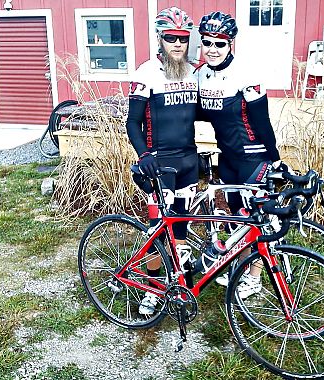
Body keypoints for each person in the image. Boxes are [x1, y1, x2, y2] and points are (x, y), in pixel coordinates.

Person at [195, 11, 285, 299]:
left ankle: (255, 278)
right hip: (229, 157)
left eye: (219, 44)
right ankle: (246, 266)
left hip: (253, 156)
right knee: (238, 216)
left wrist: (274, 158)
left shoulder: (246, 73)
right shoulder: (200, 74)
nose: (212, 49)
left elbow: (262, 121)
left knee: (254, 218)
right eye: (207, 42)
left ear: (231, 44)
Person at [125, 7, 199, 315]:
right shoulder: (146, 72)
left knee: (180, 228)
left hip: (188, 162)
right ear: (160, 39)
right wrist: (144, 156)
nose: (178, 44)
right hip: (159, 164)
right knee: (157, 229)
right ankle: (153, 289)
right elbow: (132, 122)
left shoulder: (194, 71)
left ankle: (178, 281)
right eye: (171, 38)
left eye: (183, 38)